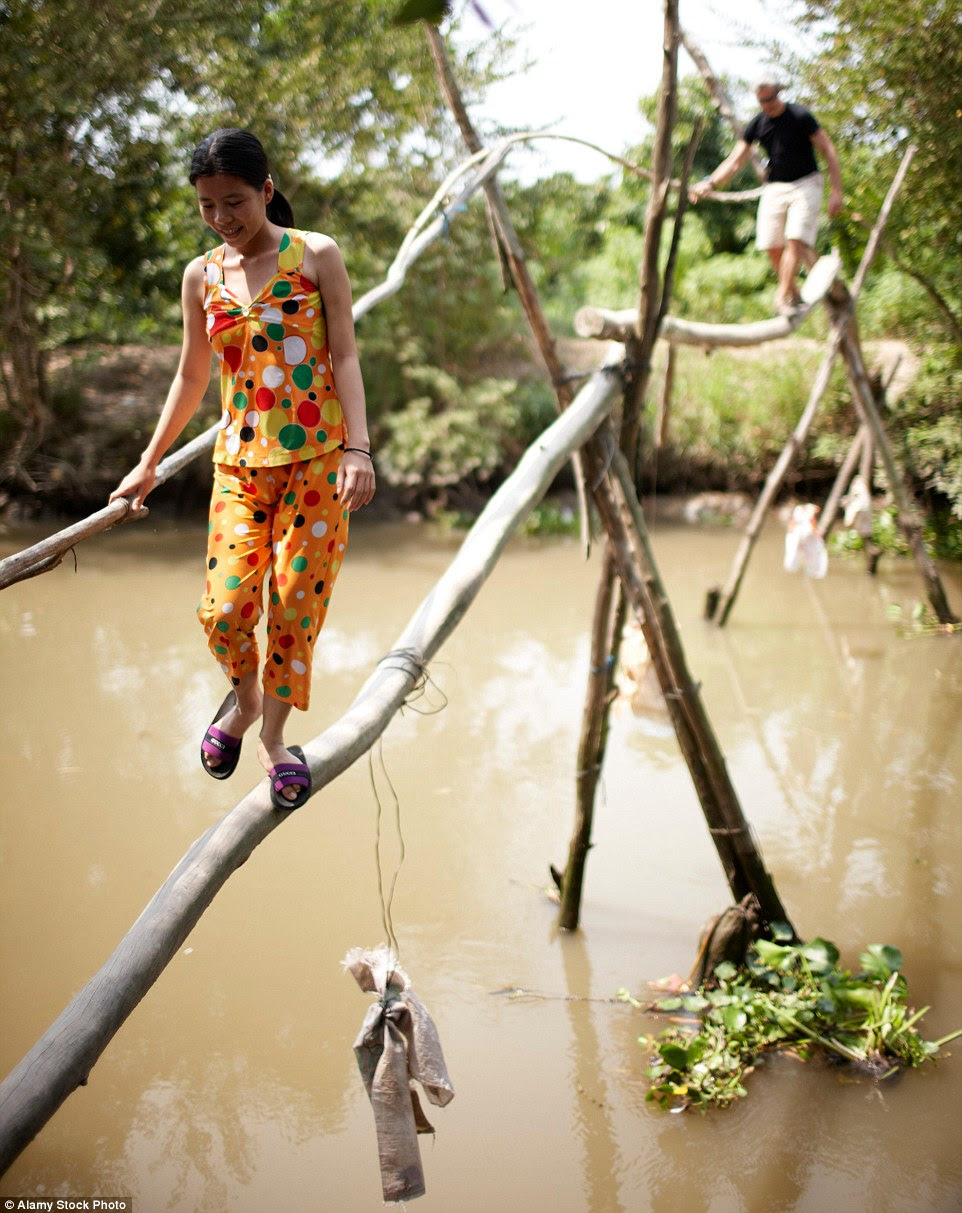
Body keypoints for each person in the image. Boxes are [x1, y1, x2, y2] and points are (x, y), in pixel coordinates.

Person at [110, 128, 375, 808]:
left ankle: (274, 739)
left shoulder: (315, 256)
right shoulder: (201, 275)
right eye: (206, 205)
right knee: (225, 608)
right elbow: (193, 374)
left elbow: (344, 355)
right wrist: (148, 465)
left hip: (317, 462)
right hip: (241, 464)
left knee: (293, 605)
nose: (223, 218)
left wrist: (359, 449)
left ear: (266, 190)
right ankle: (246, 696)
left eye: (234, 201)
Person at [689, 76, 843, 316]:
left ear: (778, 93)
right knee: (771, 245)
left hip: (806, 183)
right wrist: (710, 182)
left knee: (794, 239)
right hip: (776, 186)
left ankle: (782, 298)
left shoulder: (800, 115)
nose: (766, 105)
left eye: (770, 99)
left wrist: (836, 191)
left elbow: (828, 150)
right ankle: (792, 292)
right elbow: (735, 161)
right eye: (761, 101)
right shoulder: (757, 125)